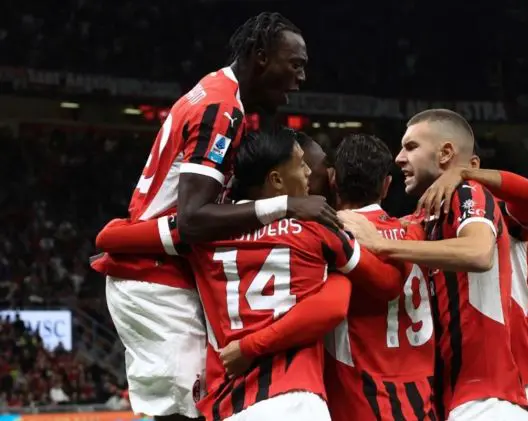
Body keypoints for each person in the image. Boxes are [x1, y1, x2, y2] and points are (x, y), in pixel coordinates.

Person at [90, 13, 337, 421]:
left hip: (156, 267)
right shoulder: (221, 109)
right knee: (186, 412)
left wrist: (116, 236)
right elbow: (192, 219)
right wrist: (286, 206)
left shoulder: (215, 93)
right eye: (295, 64)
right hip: (154, 277)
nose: (301, 77)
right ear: (260, 57)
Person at [190, 128, 404, 421]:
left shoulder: (202, 233)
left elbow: (113, 236)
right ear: (277, 179)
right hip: (295, 399)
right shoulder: (319, 230)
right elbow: (386, 284)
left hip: (229, 405)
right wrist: (339, 274)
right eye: (305, 166)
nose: (311, 175)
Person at [339, 109, 528, 421]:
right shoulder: (424, 220)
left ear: (445, 154)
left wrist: (381, 243)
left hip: (487, 398)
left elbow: (479, 252)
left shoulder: (467, 191)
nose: (399, 158)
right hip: (451, 398)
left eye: (411, 147)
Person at [415, 149, 528, 421]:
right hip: (459, 387)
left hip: (516, 380)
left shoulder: (500, 212)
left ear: (474, 164)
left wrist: (464, 174)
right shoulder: (427, 225)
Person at [323, 134, 436, 421]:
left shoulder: (329, 236)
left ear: (333, 179)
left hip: (361, 398)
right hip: (421, 399)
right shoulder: (416, 233)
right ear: (386, 185)